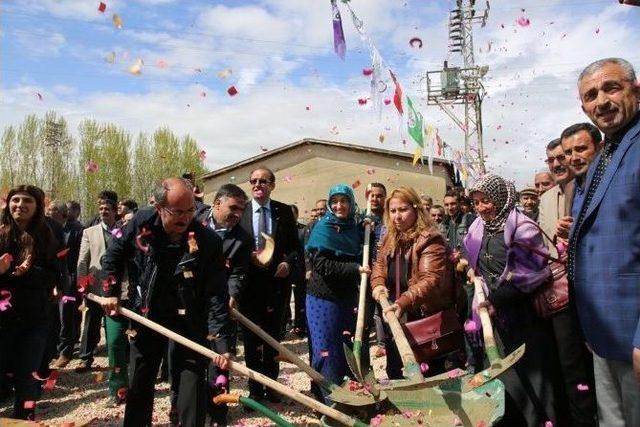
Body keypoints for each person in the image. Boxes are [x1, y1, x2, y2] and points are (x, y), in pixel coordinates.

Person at [99, 178, 230, 426]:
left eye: (190, 211)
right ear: (159, 207)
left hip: (190, 314)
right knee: (140, 377)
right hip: (148, 313)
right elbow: (113, 256)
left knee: (191, 379)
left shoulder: (208, 241)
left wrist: (221, 341)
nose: (185, 218)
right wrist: (111, 291)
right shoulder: (140, 223)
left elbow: (217, 294)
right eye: (177, 212)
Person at [568, 57, 640, 426]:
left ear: (635, 88)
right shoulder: (606, 154)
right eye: (591, 95)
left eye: (611, 88)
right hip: (601, 331)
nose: (602, 101)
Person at [463, 174, 556, 426]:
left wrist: (498, 299)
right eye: (477, 202)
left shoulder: (523, 228)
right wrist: (474, 272)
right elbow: (474, 261)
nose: (481, 208)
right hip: (494, 320)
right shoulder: (476, 228)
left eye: (486, 201)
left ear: (502, 199)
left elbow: (530, 272)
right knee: (502, 379)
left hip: (523, 317)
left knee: (532, 382)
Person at [370, 186, 461, 378]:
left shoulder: (430, 239)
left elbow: (431, 280)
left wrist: (403, 301)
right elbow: (379, 263)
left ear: (416, 209)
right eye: (393, 211)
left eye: (403, 210)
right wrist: (378, 284)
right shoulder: (391, 236)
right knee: (396, 368)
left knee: (430, 372)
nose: (397, 216)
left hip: (423, 314)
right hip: (397, 311)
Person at [238, 166, 299, 404]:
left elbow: (295, 248)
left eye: (263, 181)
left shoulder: (283, 212)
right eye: (253, 180)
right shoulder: (240, 211)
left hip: (276, 286)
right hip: (249, 288)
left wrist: (287, 263)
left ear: (272, 185)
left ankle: (272, 386)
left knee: (273, 340)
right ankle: (255, 390)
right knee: (252, 343)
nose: (257, 185)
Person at [0, 185, 60, 420]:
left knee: (28, 378)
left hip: (35, 320)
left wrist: (25, 272)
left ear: (37, 207)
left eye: (27, 201)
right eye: (16, 200)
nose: (20, 205)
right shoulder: (1, 233)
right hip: (2, 321)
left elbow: (56, 275)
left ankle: (23, 420)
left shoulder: (47, 235)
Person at [305, 184, 367, 401]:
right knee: (325, 349)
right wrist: (355, 269)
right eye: (335, 202)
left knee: (344, 347)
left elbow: (364, 244)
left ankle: (347, 396)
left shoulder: (354, 227)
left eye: (344, 201)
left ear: (351, 203)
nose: (339, 206)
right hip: (323, 298)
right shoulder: (323, 227)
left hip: (347, 297)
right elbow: (322, 265)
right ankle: (327, 399)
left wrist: (366, 226)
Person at [198, 183, 251, 426]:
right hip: (188, 302)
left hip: (220, 305)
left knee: (220, 358)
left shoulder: (242, 238)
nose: (238, 214)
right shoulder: (194, 221)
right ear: (217, 203)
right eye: (233, 207)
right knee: (186, 359)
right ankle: (183, 408)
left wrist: (231, 295)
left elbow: (238, 273)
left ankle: (218, 413)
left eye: (242, 209)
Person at [75, 198, 130, 406]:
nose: (103, 211)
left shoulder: (126, 230)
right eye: (100, 209)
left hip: (123, 293)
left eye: (107, 208)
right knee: (92, 326)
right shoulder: (89, 232)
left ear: (116, 211)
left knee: (117, 340)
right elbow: (82, 261)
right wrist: (83, 286)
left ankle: (126, 384)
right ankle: (114, 386)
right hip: (96, 291)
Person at [556, 122, 602, 240]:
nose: (574, 158)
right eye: (568, 153)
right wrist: (566, 232)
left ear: (600, 148)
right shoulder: (570, 187)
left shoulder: (614, 181)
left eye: (581, 149)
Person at [53, 201, 84, 369]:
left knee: (67, 316)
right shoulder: (47, 229)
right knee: (54, 316)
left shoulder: (77, 230)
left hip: (70, 280)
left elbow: (80, 257)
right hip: (52, 278)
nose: (49, 213)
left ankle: (65, 352)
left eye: (53, 210)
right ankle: (55, 348)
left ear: (62, 214)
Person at [538, 139, 574, 259]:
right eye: (551, 160)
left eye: (561, 157)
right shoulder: (545, 199)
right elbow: (544, 241)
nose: (556, 165)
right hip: (557, 271)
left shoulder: (591, 190)